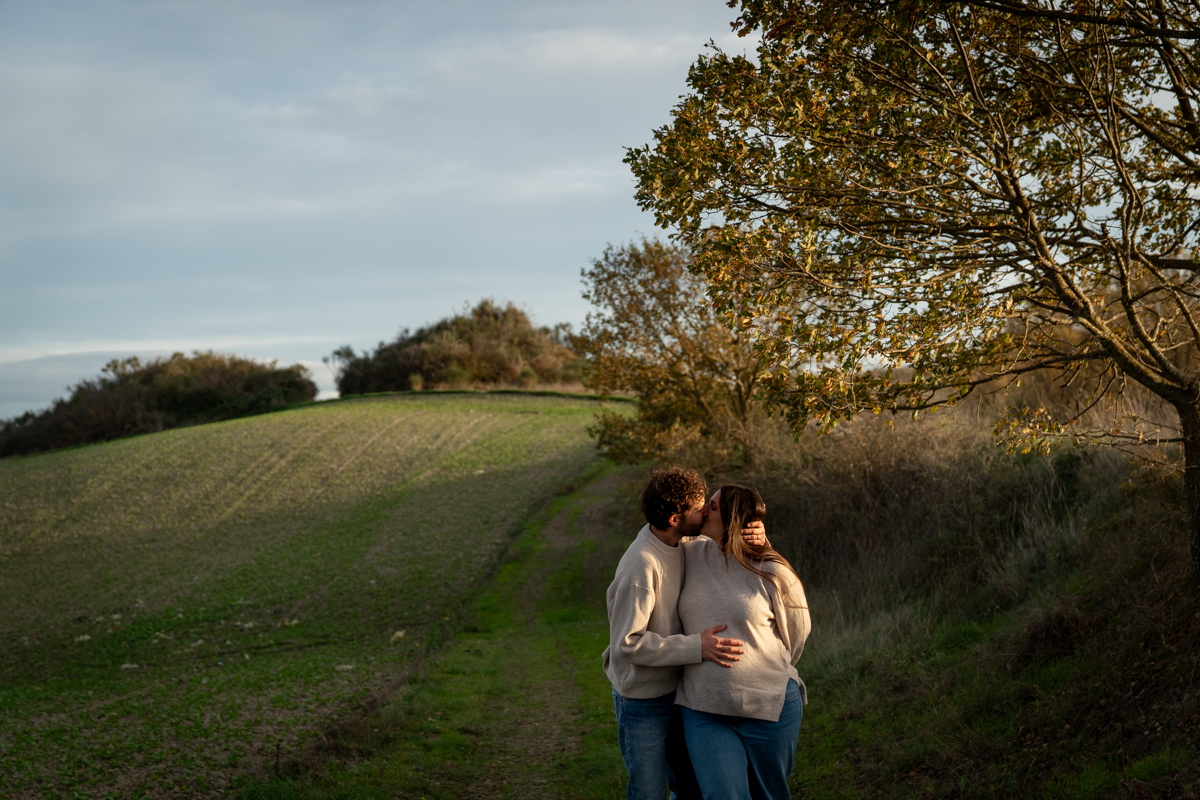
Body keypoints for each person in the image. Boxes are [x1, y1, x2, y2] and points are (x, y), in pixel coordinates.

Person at [603, 467, 768, 800]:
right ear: (675, 519)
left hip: (681, 693)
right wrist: (697, 647)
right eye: (698, 507)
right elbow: (626, 644)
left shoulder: (683, 543)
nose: (706, 511)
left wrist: (758, 537)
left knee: (690, 787)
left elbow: (726, 543)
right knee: (649, 791)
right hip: (643, 700)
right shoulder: (641, 566)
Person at [675, 485, 810, 800]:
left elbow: (798, 634)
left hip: (769, 708)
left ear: (732, 519)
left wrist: (763, 666)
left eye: (712, 507)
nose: (704, 511)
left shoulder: (773, 571)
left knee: (769, 794)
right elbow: (661, 528)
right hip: (704, 708)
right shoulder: (688, 554)